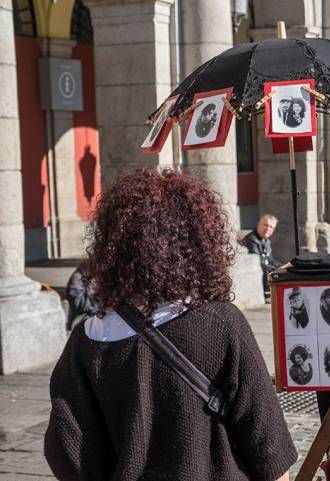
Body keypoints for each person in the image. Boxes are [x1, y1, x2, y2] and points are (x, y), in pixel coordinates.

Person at [44, 169, 296, 481]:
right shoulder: (220, 324)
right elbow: (269, 451)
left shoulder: (86, 340)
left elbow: (68, 454)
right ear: (198, 242)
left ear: (114, 246)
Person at [241, 214, 280, 302]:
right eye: (265, 225)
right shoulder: (251, 239)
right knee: (268, 270)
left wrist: (282, 267)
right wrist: (273, 268)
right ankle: (268, 296)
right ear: (259, 224)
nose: (268, 229)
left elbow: (270, 260)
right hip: (255, 272)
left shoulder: (267, 241)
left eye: (271, 227)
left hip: (265, 269)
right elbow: (257, 261)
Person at [65, 260, 99, 331]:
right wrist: (97, 303)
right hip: (83, 316)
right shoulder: (78, 277)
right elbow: (77, 303)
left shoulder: (96, 277)